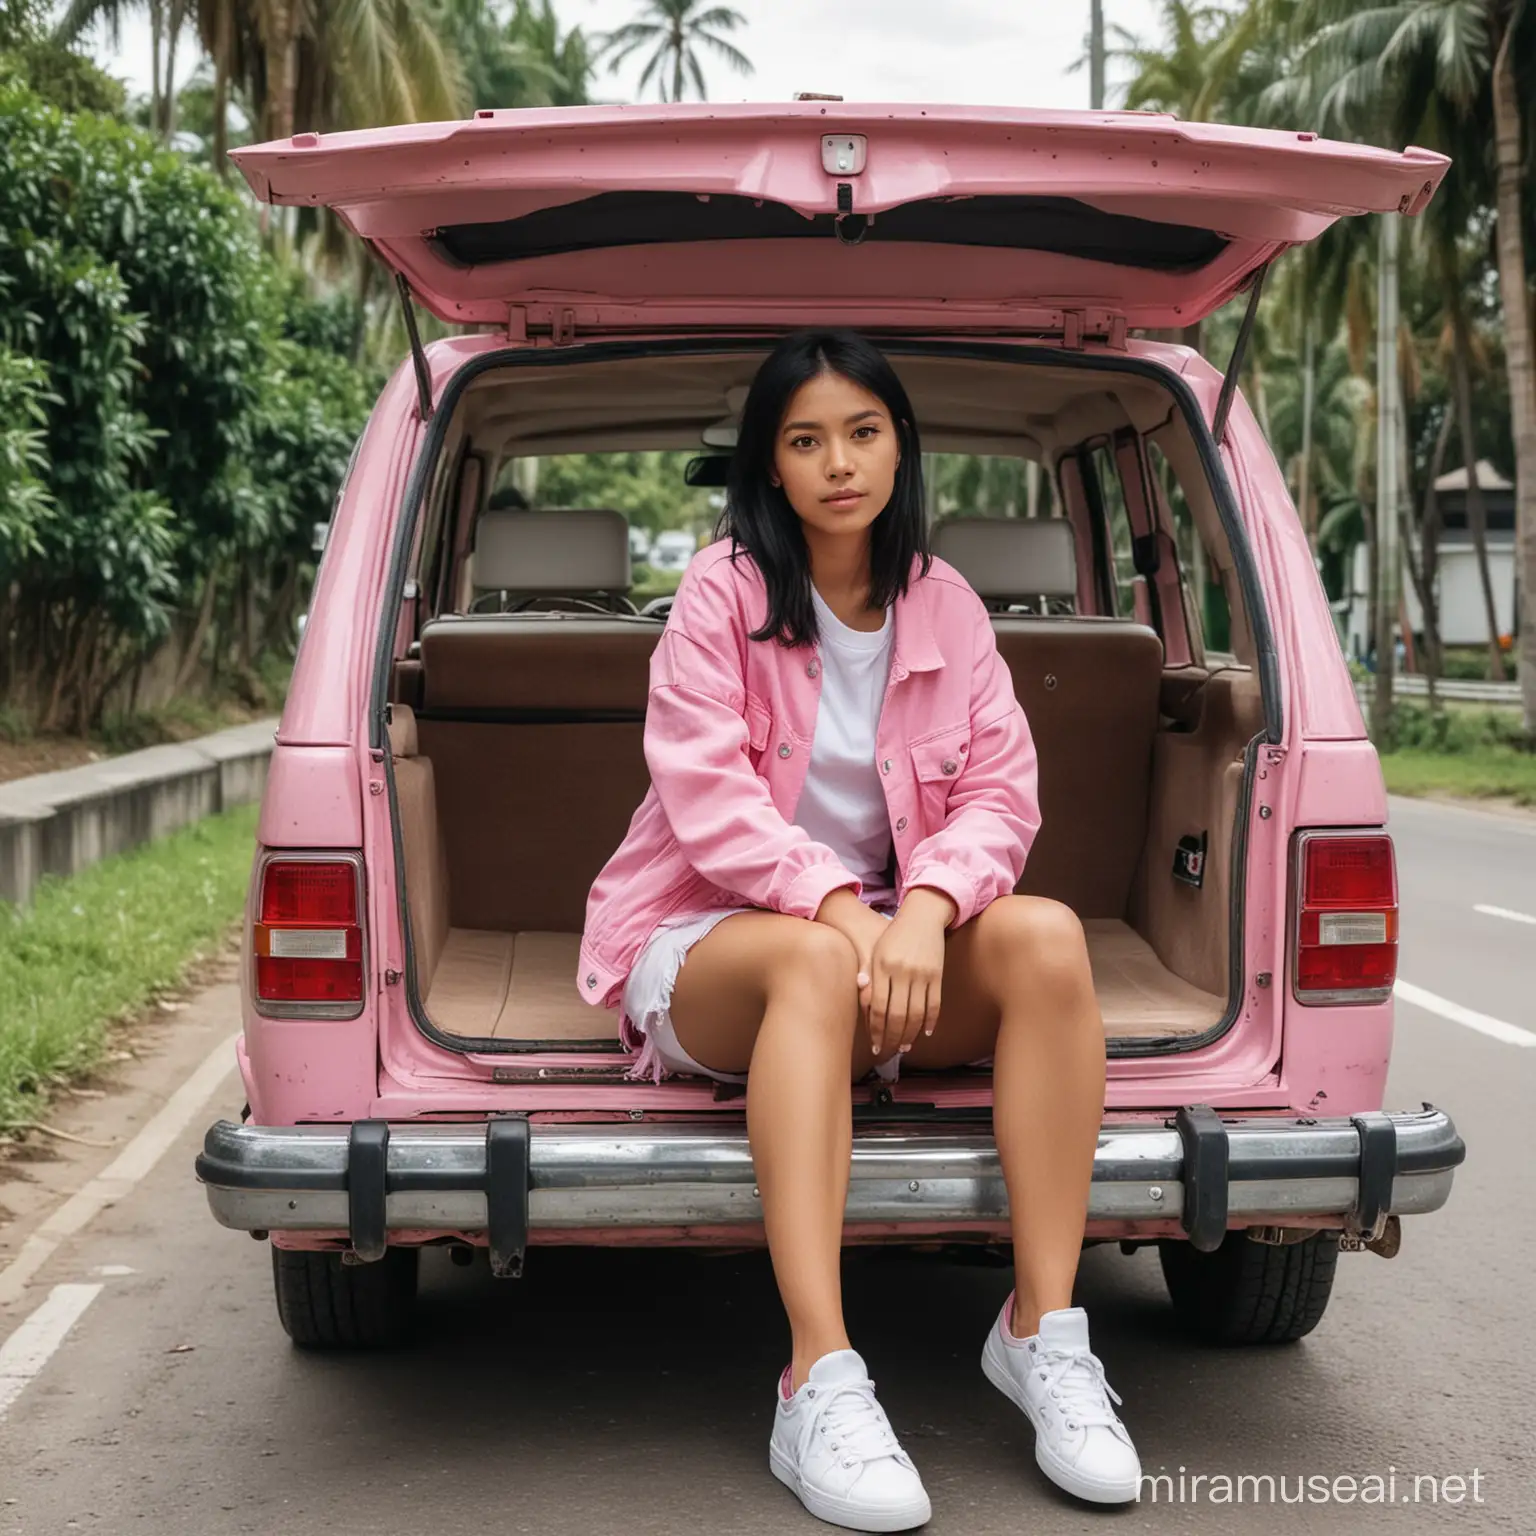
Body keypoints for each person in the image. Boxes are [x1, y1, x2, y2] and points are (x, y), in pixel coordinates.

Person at [578, 329, 1140, 1530]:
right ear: (769, 468)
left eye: (863, 430)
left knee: (1043, 938)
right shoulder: (721, 593)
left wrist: (928, 910)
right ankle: (817, 1375)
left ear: (900, 446)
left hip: (886, 940)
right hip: (717, 936)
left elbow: (1001, 793)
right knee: (816, 955)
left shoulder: (947, 606)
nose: (839, 461)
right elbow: (708, 796)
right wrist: (841, 908)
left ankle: (1042, 1328)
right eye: (804, 439)